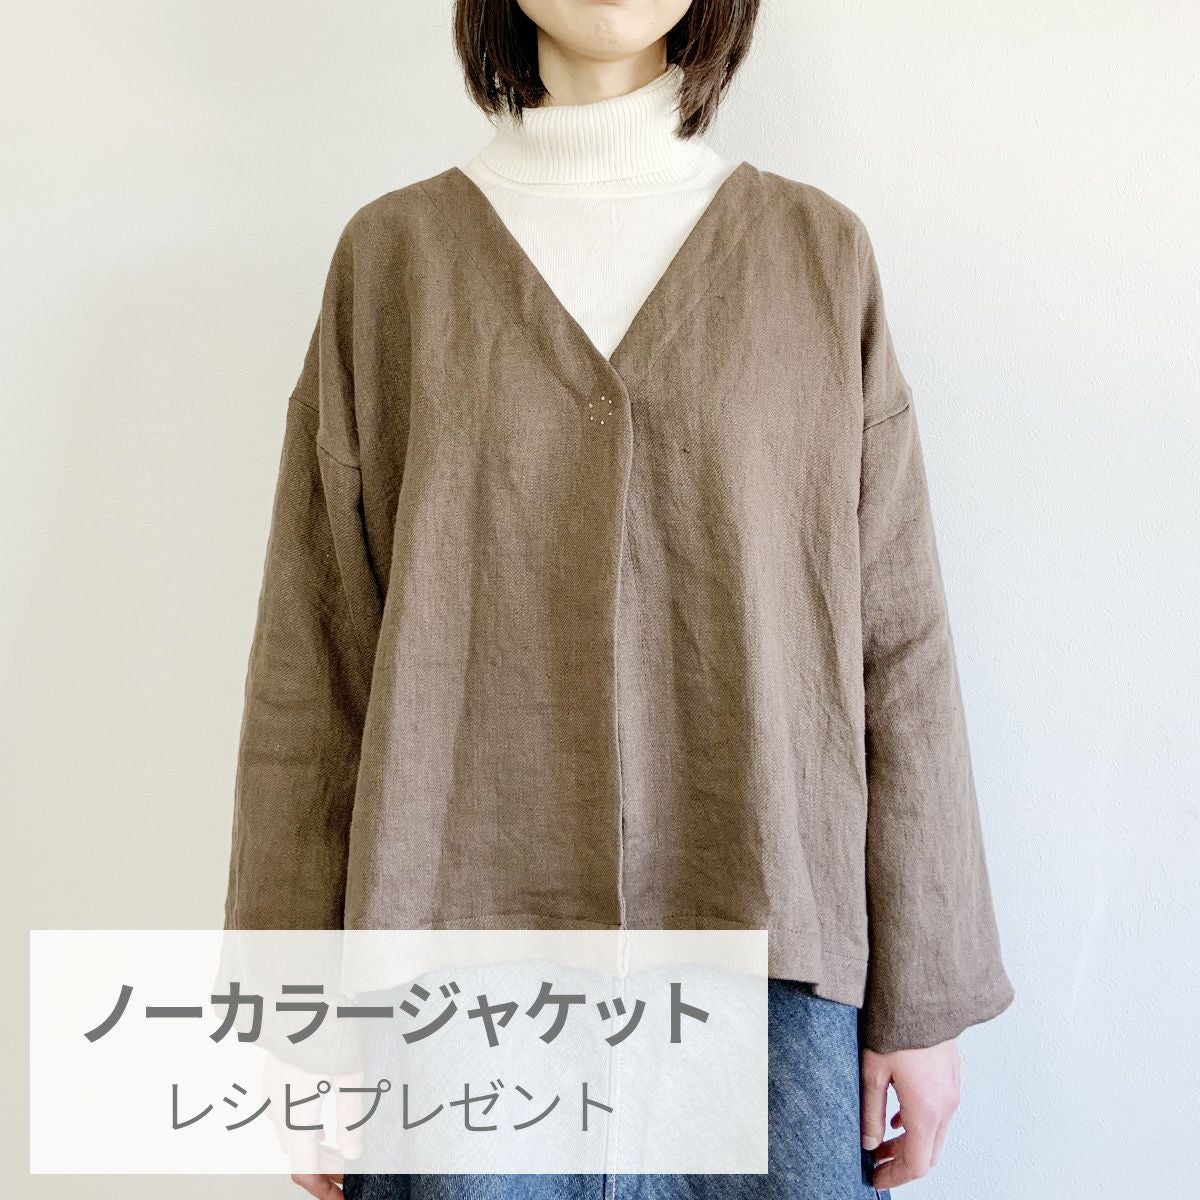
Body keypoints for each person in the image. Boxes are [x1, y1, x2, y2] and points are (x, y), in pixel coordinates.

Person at [223, 2, 1014, 1196]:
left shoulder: (817, 258)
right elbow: (315, 659)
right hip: (454, 991)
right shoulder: (393, 264)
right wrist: (296, 1017)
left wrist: (924, 993)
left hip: (772, 979)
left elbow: (897, 643)